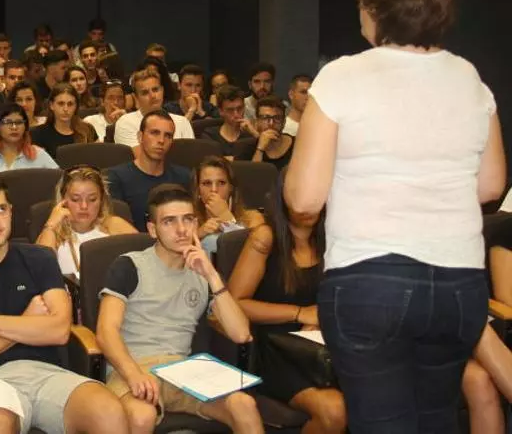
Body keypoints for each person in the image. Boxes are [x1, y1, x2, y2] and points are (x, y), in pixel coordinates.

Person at [283, 0, 506, 432]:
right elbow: (491, 186)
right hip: (458, 285)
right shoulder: (469, 77)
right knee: (435, 420)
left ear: (375, 6)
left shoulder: (342, 76)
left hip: (372, 281)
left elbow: (303, 201)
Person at [0, 170, 129, 433]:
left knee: (109, 410)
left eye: (1, 209)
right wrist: (27, 321)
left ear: (11, 211)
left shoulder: (39, 258)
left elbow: (59, 331)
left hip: (48, 374)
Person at [96, 184, 262, 434]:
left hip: (182, 371)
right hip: (134, 367)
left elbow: (241, 334)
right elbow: (106, 332)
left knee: (244, 405)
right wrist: (133, 375)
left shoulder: (202, 272)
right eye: (169, 221)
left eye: (188, 219)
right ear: (153, 229)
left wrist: (212, 275)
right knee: (142, 416)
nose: (182, 229)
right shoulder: (130, 266)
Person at [228, 172, 346, 433]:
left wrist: (322, 320)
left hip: (323, 345)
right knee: (334, 411)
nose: (309, 205)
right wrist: (300, 313)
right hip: (275, 350)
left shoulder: (332, 237)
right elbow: (235, 302)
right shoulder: (266, 237)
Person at [36, 165, 137, 276]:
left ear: (101, 200)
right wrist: (51, 225)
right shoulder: (53, 232)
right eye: (75, 199)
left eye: (92, 199)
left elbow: (144, 260)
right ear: (63, 200)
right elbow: (39, 271)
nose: (84, 206)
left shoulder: (113, 225)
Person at [107, 110, 191, 231]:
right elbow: (114, 225)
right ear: (140, 137)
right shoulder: (115, 177)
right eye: (155, 133)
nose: (161, 140)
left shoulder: (184, 177)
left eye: (168, 135)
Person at [193, 156, 264, 254]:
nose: (214, 189)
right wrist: (196, 236)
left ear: (231, 188)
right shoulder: (189, 221)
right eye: (207, 183)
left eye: (221, 183)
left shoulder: (253, 218)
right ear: (198, 190)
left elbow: (253, 253)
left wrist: (226, 217)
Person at [113, 69, 195, 148]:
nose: (152, 96)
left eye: (155, 90)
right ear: (136, 98)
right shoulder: (126, 123)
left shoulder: (182, 122)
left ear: (162, 91)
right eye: (145, 92)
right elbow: (137, 155)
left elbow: (190, 155)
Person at [0, 103, 58, 173]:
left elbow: (61, 181)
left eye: (19, 122)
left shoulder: (38, 154)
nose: (14, 127)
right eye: (7, 122)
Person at [31, 83, 98, 158]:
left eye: (70, 104)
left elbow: (97, 158)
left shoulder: (87, 129)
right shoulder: (37, 134)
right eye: (61, 104)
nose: (66, 109)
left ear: (76, 106)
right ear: (51, 105)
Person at [201, 85, 259, 160]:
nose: (236, 114)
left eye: (239, 108)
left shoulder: (251, 135)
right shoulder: (209, 135)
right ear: (221, 111)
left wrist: (254, 133)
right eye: (230, 110)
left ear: (244, 107)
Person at [253, 96, 294, 170]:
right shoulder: (246, 147)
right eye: (265, 118)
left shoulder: (297, 145)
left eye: (277, 118)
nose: (271, 123)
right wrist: (260, 149)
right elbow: (252, 175)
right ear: (257, 122)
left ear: (283, 122)